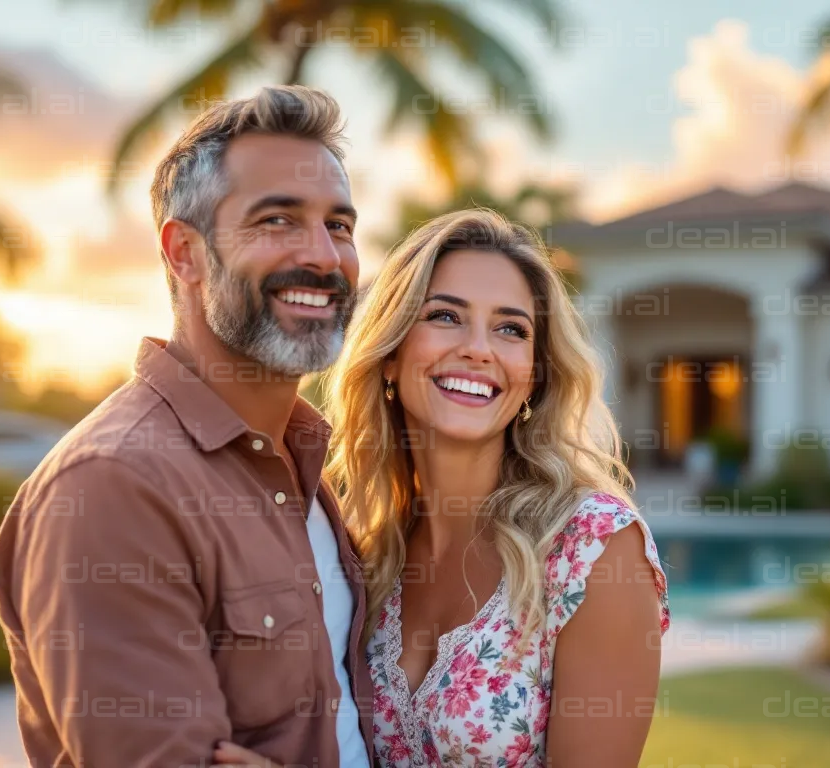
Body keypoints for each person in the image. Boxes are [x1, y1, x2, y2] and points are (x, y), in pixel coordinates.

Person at [0, 85, 373, 767]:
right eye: (278, 220)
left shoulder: (303, 466)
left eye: (339, 225)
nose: (324, 256)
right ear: (184, 254)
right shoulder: (115, 486)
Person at [214, 209, 670, 768]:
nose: (480, 349)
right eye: (445, 316)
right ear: (390, 354)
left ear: (536, 373)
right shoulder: (364, 554)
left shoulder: (594, 548)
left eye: (511, 329)